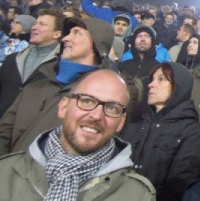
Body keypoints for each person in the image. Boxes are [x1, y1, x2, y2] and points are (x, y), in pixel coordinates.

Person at [0, 69, 155, 200]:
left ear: (121, 122)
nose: (96, 116)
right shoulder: (5, 172)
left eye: (112, 108)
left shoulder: (138, 195)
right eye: (87, 101)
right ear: (63, 107)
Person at [0, 17, 114, 155]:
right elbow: (4, 134)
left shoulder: (101, 100)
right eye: (68, 33)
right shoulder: (36, 85)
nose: (66, 39)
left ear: (97, 45)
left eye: (77, 33)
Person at [121, 62, 200, 200]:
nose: (151, 84)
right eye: (152, 79)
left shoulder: (193, 132)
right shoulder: (137, 123)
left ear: (178, 87)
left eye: (161, 79)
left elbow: (182, 184)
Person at [0, 9, 65, 117]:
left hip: (29, 129)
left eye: (42, 25)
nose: (34, 27)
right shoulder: (12, 59)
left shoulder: (60, 66)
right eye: (35, 23)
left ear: (56, 34)